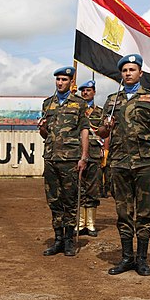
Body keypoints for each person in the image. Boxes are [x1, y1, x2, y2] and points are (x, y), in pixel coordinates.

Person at [97, 54, 150, 276]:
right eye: (125, 70)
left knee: (144, 212)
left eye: (132, 70)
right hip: (119, 163)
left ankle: (143, 259)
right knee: (123, 212)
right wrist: (106, 127)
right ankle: (127, 258)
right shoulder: (111, 101)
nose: (128, 73)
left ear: (140, 73)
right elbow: (101, 132)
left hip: (146, 163)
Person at [39, 66, 89, 257]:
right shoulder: (48, 104)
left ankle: (69, 240)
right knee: (53, 200)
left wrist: (84, 156)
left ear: (71, 82)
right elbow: (45, 134)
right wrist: (42, 128)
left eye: (64, 80)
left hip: (70, 159)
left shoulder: (79, 103)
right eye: (58, 79)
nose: (60, 83)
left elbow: (84, 130)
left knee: (69, 200)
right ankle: (58, 239)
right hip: (51, 158)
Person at [77, 80, 103, 237]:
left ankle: (91, 224)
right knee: (79, 188)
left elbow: (105, 132)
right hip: (77, 152)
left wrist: (105, 150)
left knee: (92, 188)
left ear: (94, 92)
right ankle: (80, 223)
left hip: (93, 153)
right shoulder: (76, 109)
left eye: (88, 90)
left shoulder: (100, 112)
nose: (85, 93)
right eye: (83, 91)